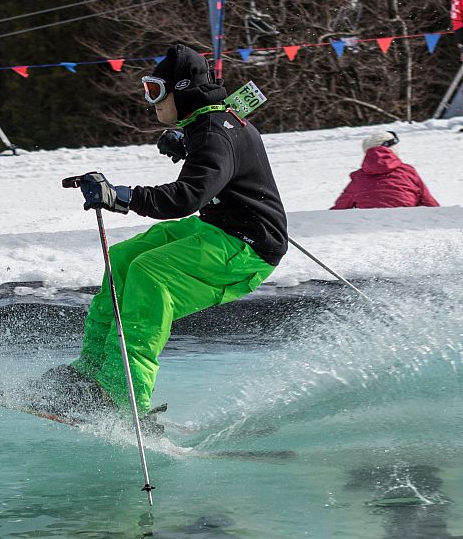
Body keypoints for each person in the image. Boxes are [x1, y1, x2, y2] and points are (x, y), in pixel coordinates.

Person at [44, 43, 288, 420]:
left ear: (184, 91)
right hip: (219, 227)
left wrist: (120, 195)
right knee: (124, 258)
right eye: (148, 90)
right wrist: (186, 143)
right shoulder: (209, 123)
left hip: (247, 248)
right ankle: (90, 371)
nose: (152, 101)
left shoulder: (214, 131)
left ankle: (123, 392)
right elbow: (219, 162)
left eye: (157, 91)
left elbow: (186, 197)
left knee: (150, 273)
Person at [331, 131, 439, 210]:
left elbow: (340, 209)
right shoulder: (407, 171)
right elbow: (428, 203)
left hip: (369, 226)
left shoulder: (359, 177)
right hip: (406, 223)